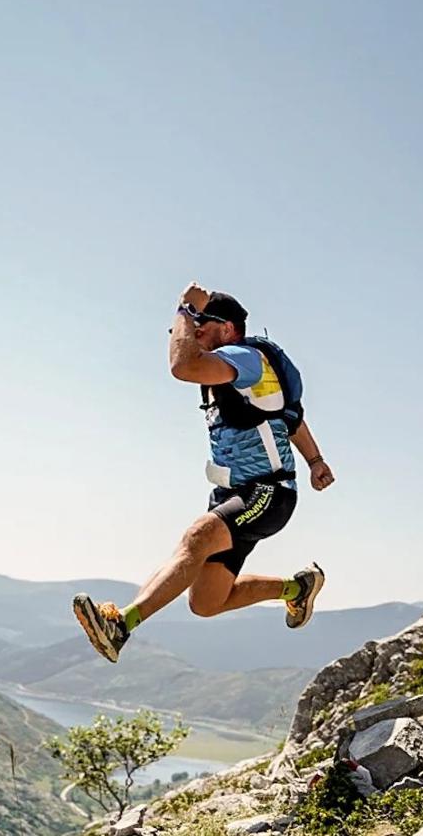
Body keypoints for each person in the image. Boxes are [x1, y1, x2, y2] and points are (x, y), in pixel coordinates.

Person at [73, 283, 335, 662]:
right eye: (190, 327)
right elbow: (287, 419)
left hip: (267, 493)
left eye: (202, 325)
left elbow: (183, 366)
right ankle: (298, 588)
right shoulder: (232, 376)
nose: (193, 333)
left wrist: (184, 308)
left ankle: (120, 625)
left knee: (197, 536)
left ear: (228, 329)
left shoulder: (246, 359)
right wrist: (315, 461)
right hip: (233, 494)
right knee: (207, 602)